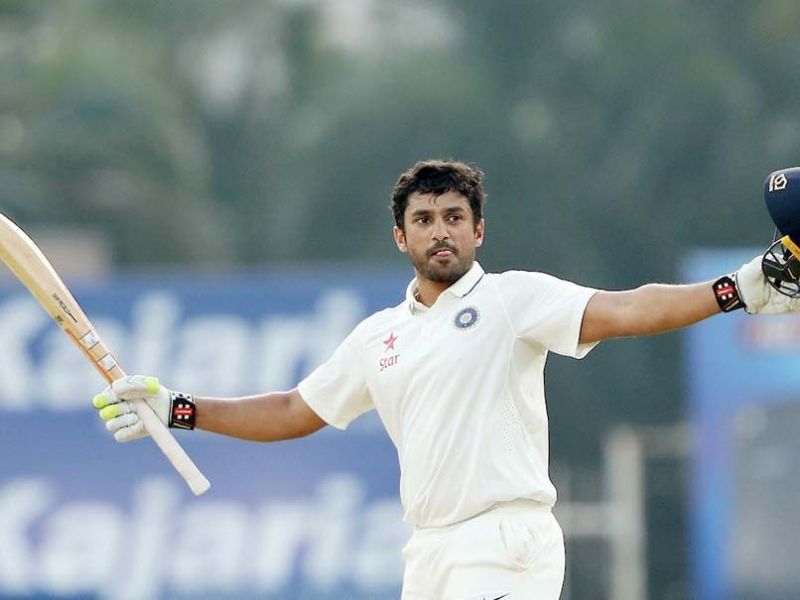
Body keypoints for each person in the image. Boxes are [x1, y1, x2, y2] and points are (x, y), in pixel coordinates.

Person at [91, 160, 799, 599]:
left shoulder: (512, 299)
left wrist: (736, 288)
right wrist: (177, 407)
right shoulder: (380, 336)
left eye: (455, 218)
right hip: (428, 553)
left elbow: (623, 310)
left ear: (479, 231)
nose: (441, 231)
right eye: (424, 219)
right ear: (400, 237)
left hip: (504, 539)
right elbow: (291, 410)